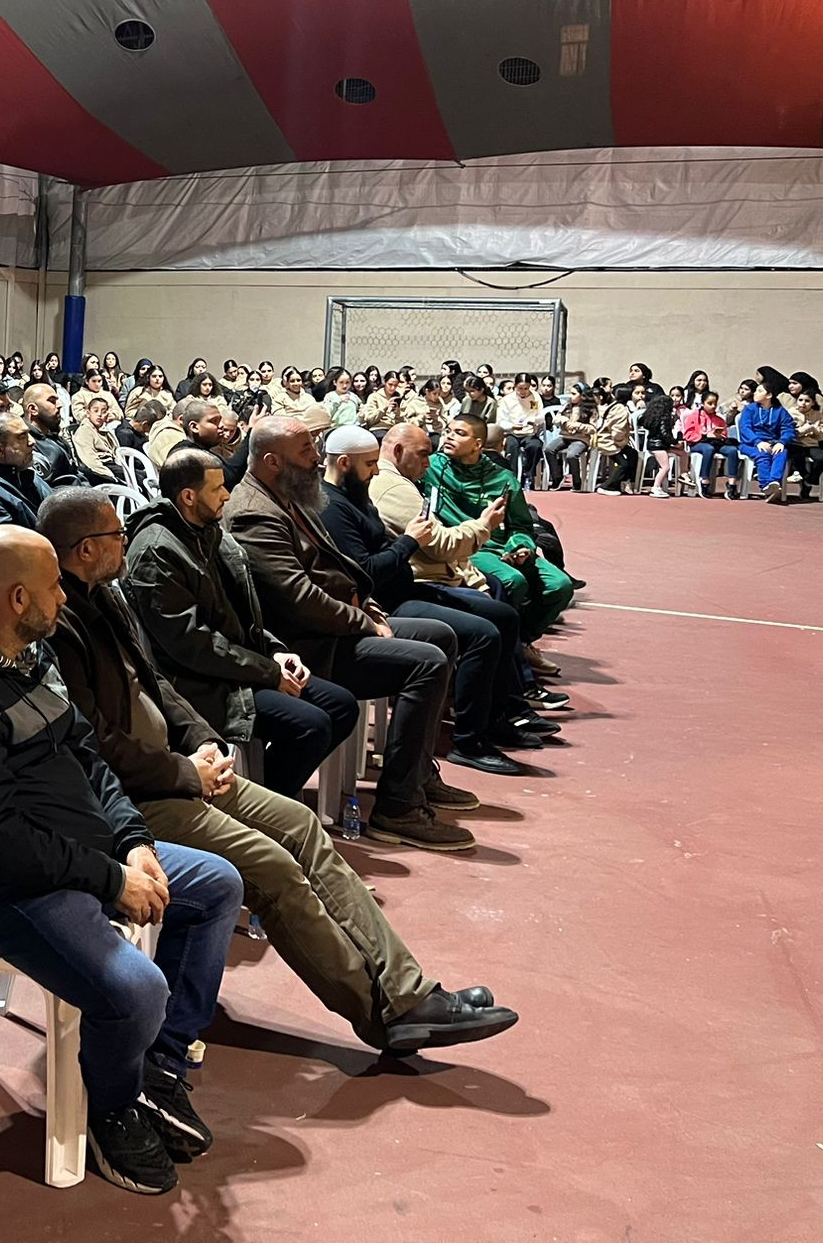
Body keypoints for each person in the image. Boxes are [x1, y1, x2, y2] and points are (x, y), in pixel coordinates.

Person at [43, 486, 518, 1057]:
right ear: (85, 549)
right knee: (273, 867)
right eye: (116, 535)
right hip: (136, 798)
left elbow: (155, 683)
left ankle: (406, 988)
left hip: (179, 767)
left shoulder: (106, 595)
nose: (126, 541)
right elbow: (96, 746)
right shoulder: (57, 622)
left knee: (301, 825)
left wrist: (202, 740)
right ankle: (381, 1013)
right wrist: (185, 772)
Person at [0, 528, 245, 1195]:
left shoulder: (26, 651)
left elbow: (90, 760)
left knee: (217, 886)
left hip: (83, 853)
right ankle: (110, 1107)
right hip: (7, 892)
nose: (65, 597)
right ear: (18, 598)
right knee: (136, 990)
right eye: (55, 586)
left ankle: (156, 1067)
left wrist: (133, 841)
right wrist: (111, 879)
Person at [224, 420, 476, 852]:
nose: (316, 458)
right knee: (427, 662)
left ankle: (416, 775)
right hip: (306, 645)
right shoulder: (253, 513)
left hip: (336, 626)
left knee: (441, 636)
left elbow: (339, 568)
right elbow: (298, 599)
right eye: (306, 451)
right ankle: (398, 808)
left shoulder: (291, 495)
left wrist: (369, 605)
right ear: (272, 461)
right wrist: (363, 622)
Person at [122, 446, 360, 801]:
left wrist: (275, 652)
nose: (227, 495)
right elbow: (193, 646)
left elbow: (241, 616)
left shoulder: (206, 530)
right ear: (188, 497)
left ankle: (273, 791)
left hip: (239, 665)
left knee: (341, 705)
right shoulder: (158, 551)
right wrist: (268, 672)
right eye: (217, 488)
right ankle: (269, 808)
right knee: (310, 725)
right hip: (200, 682)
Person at [318, 427, 554, 773]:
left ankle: (499, 717)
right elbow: (367, 573)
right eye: (369, 464)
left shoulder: (358, 493)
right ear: (344, 463)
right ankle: (469, 741)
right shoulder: (334, 507)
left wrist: (406, 544)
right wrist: (409, 542)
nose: (376, 470)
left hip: (404, 588)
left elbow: (384, 549)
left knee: (503, 615)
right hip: (385, 603)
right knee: (482, 634)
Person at [425, 416, 576, 640]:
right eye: (448, 431)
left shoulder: (502, 478)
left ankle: (522, 641)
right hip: (469, 546)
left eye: (459, 433)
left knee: (560, 585)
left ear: (477, 444)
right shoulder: (431, 467)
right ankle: (505, 644)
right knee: (513, 580)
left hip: (502, 546)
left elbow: (521, 524)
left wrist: (520, 546)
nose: (449, 437)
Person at [0, 412, 54, 531]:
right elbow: (7, 540)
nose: (32, 441)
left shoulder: (29, 476)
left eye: (29, 434)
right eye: (22, 437)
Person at [739, 383, 796, 502]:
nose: (755, 393)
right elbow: (745, 428)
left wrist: (782, 442)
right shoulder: (749, 409)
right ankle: (766, 485)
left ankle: (774, 482)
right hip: (751, 444)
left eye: (759, 391)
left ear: (769, 395)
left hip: (773, 442)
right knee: (762, 454)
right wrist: (757, 442)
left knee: (781, 452)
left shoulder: (780, 411)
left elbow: (788, 428)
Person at [784, 372, 823, 492]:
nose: (803, 403)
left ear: (813, 403)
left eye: (807, 401)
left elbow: (822, 436)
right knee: (796, 457)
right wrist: (804, 429)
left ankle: (809, 480)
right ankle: (802, 476)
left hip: (811, 444)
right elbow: (789, 432)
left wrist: (814, 429)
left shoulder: (817, 414)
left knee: (822, 458)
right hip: (795, 444)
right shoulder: (791, 413)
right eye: (800, 400)